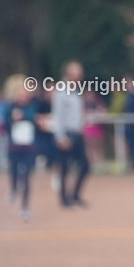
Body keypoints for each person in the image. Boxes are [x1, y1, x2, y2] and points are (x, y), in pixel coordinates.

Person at [52, 60, 90, 207]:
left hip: (77, 133)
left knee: (85, 166)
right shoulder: (62, 91)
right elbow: (58, 116)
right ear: (68, 73)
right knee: (64, 168)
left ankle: (75, 195)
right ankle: (64, 199)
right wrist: (60, 137)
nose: (80, 75)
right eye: (76, 71)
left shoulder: (76, 91)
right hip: (67, 133)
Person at [3, 75, 41, 221]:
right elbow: (5, 126)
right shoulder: (10, 108)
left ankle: (25, 207)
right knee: (13, 172)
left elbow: (34, 118)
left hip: (29, 147)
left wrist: (23, 116)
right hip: (14, 147)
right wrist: (12, 119)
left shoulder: (32, 106)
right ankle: (13, 189)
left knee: (26, 178)